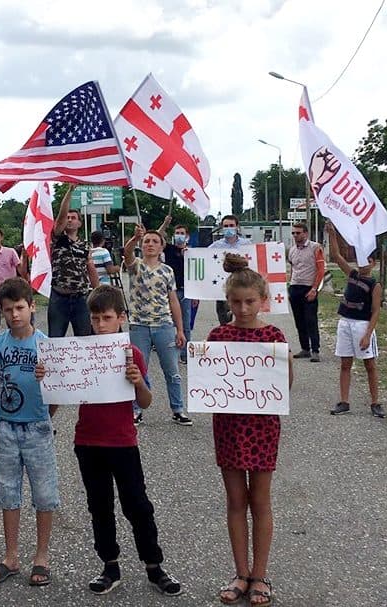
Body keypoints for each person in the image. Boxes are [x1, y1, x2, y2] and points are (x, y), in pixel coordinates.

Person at [39, 285, 183, 596]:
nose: (101, 324)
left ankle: (154, 565)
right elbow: (55, 401)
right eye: (95, 318)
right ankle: (109, 565)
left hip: (122, 441)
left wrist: (136, 382)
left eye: (107, 318)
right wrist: (48, 379)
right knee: (99, 507)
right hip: (88, 442)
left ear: (121, 318)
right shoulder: (80, 352)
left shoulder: (133, 354)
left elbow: (145, 402)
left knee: (138, 506)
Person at [207, 254, 293, 607]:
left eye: (250, 302)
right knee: (235, 500)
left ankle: (260, 575)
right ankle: (240, 573)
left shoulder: (273, 335)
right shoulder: (217, 335)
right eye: (236, 302)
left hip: (261, 427)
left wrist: (280, 366)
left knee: (260, 500)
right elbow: (207, 382)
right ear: (228, 301)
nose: (243, 309)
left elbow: (285, 384)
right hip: (228, 426)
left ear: (263, 300)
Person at [0, 277, 58, 587]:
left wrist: (44, 412)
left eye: (20, 308)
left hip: (38, 426)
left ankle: (41, 556)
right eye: (8, 309)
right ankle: (11, 555)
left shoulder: (45, 345)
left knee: (44, 492)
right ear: (1, 311)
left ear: (32, 307)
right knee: (8, 490)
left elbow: (56, 394)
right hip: (6, 426)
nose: (15, 315)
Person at [123, 225, 191, 426]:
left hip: (164, 325)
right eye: (147, 242)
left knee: (172, 370)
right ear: (142, 246)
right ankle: (136, 409)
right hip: (139, 326)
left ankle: (178, 408)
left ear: (162, 247)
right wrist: (134, 238)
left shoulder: (167, 271)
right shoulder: (135, 265)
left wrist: (179, 329)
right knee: (138, 371)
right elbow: (127, 253)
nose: (150, 244)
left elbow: (173, 301)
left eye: (155, 241)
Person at [325, 222, 385, 418]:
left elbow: (375, 311)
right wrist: (332, 234)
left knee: (369, 364)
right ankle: (344, 401)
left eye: (366, 260)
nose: (362, 264)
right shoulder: (352, 275)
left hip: (362, 324)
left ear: (373, 262)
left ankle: (375, 402)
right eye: (360, 260)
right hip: (345, 322)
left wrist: (368, 334)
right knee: (345, 363)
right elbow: (337, 256)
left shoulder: (374, 284)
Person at [49, 184, 99, 337]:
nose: (69, 220)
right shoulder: (58, 238)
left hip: (81, 299)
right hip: (59, 297)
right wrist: (70, 191)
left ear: (80, 223)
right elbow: (61, 217)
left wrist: (98, 292)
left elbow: (90, 269)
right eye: (68, 218)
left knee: (85, 340)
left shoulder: (85, 245)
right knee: (55, 340)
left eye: (73, 218)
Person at [158, 215, 198, 363]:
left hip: (185, 291)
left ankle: (185, 354)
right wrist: (165, 223)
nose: (179, 236)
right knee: (168, 322)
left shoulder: (191, 253)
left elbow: (196, 275)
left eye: (182, 233)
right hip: (169, 290)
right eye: (177, 233)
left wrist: (196, 295)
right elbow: (157, 236)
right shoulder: (169, 249)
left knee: (185, 323)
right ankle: (169, 350)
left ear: (187, 236)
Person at [287, 222, 326, 362]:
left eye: (298, 233)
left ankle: (315, 350)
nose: (295, 235)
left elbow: (321, 270)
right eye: (293, 233)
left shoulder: (315, 248)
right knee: (299, 320)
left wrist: (314, 289)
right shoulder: (292, 250)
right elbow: (293, 268)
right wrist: (289, 285)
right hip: (295, 287)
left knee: (311, 320)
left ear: (306, 233)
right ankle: (305, 348)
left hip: (309, 288)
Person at [208, 214, 247, 325]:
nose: (229, 228)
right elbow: (202, 257)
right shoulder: (215, 246)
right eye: (226, 226)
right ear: (221, 228)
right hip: (222, 289)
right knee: (224, 322)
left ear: (237, 226)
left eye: (231, 225)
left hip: (242, 286)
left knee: (243, 319)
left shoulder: (247, 244)